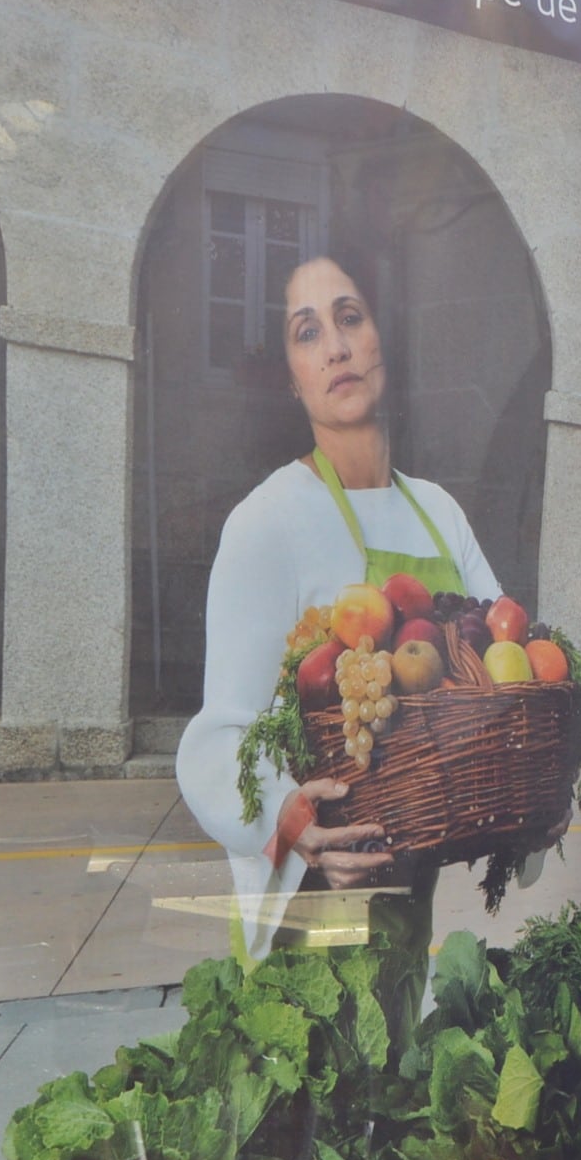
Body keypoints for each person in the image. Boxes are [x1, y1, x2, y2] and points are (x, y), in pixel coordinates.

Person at [175, 251, 504, 956]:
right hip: (307, 913)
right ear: (292, 380)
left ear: (386, 334)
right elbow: (214, 743)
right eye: (306, 332)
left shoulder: (439, 513)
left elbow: (511, 675)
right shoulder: (270, 521)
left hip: (410, 903)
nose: (336, 347)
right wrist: (291, 825)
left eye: (350, 317)